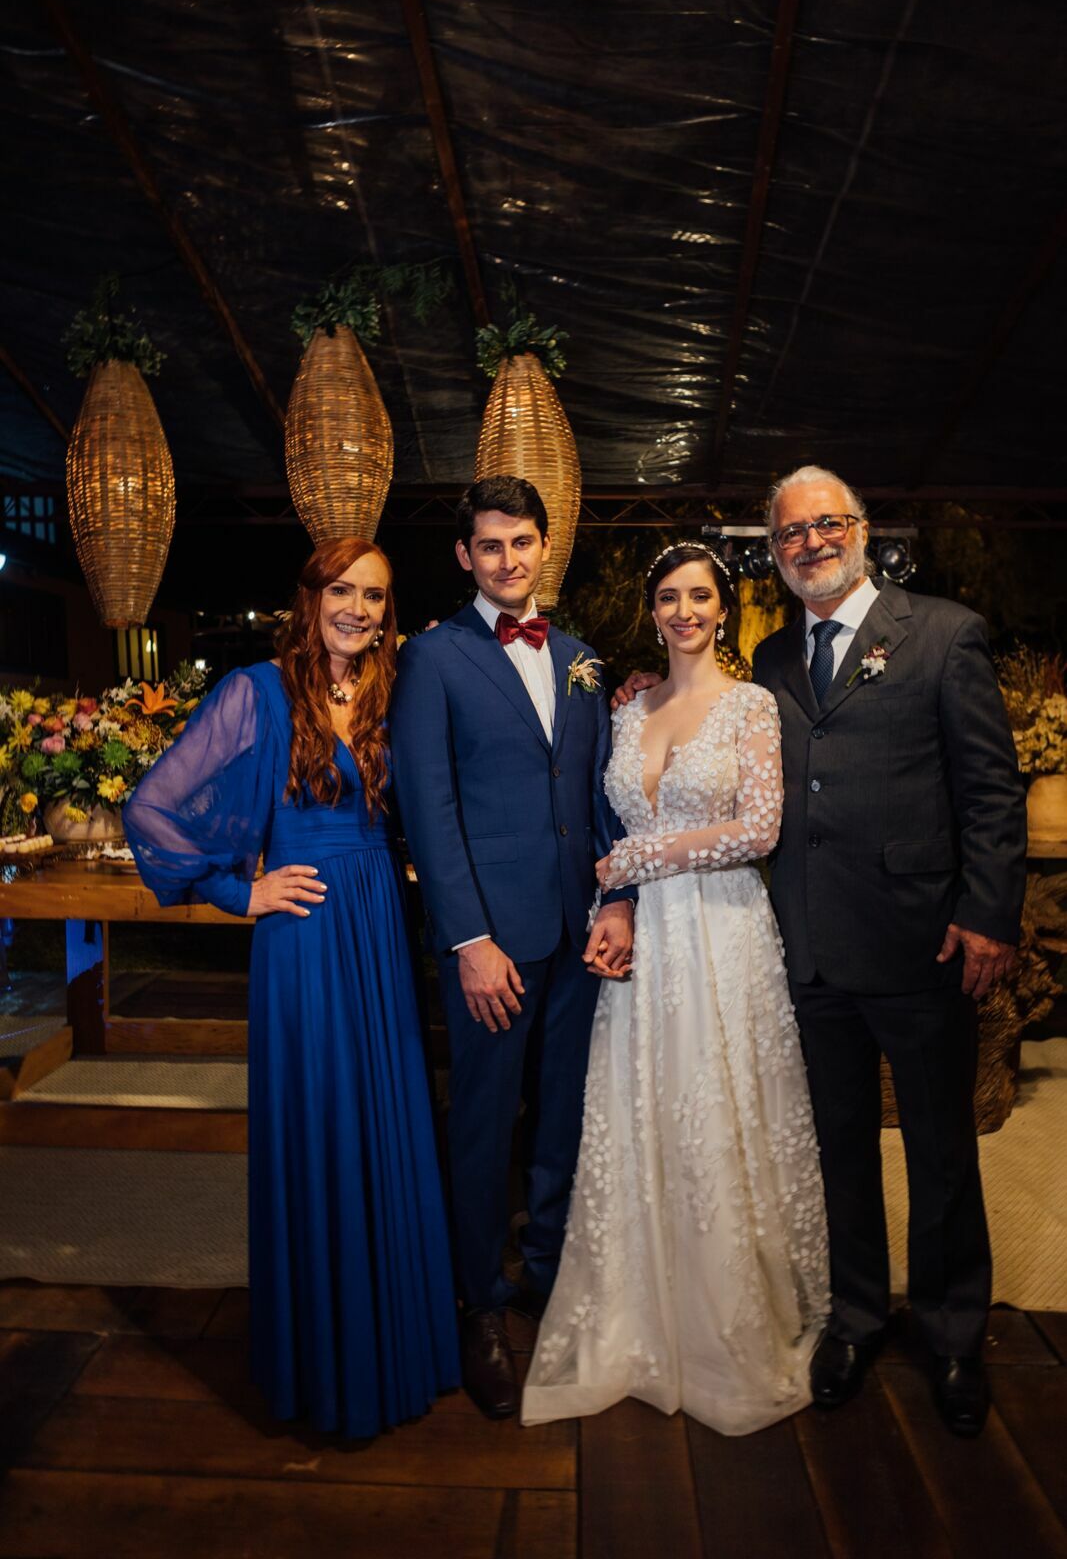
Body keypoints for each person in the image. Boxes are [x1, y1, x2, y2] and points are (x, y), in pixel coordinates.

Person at [616, 466, 1028, 1437]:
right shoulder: (765, 660)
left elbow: (990, 793)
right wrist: (645, 691)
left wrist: (988, 916)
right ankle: (851, 1316)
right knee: (835, 1150)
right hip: (805, 954)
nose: (807, 543)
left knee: (938, 1151)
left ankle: (953, 1332)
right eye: (787, 534)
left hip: (920, 945)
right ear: (774, 549)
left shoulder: (940, 633)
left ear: (861, 527)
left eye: (823, 525)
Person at [124, 537, 459, 1437]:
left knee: (385, 1120)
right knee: (320, 1124)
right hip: (303, 934)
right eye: (342, 589)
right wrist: (240, 891)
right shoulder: (256, 692)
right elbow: (151, 803)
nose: (358, 608)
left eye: (376, 595)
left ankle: (397, 1349)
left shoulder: (394, 690)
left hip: (379, 925)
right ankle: (326, 1366)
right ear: (309, 595)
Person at [522, 543, 829, 1434]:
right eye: (668, 596)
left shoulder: (751, 706)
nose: (684, 609)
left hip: (721, 934)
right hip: (642, 941)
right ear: (651, 612)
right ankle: (639, 1313)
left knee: (718, 1108)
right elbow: (607, 813)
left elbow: (760, 828)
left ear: (722, 610)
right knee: (644, 1110)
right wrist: (617, 894)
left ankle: (727, 1322)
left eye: (700, 595)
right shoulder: (627, 709)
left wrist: (639, 856)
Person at [389, 475, 635, 1421]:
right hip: (491, 937)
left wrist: (616, 901)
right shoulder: (435, 658)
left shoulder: (581, 658)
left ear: (544, 546)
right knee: (485, 1123)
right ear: (465, 556)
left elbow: (601, 792)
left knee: (566, 1115)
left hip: (580, 930)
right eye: (488, 546)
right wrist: (468, 937)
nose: (507, 559)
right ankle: (478, 1305)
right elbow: (427, 806)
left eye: (521, 542)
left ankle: (548, 1277)